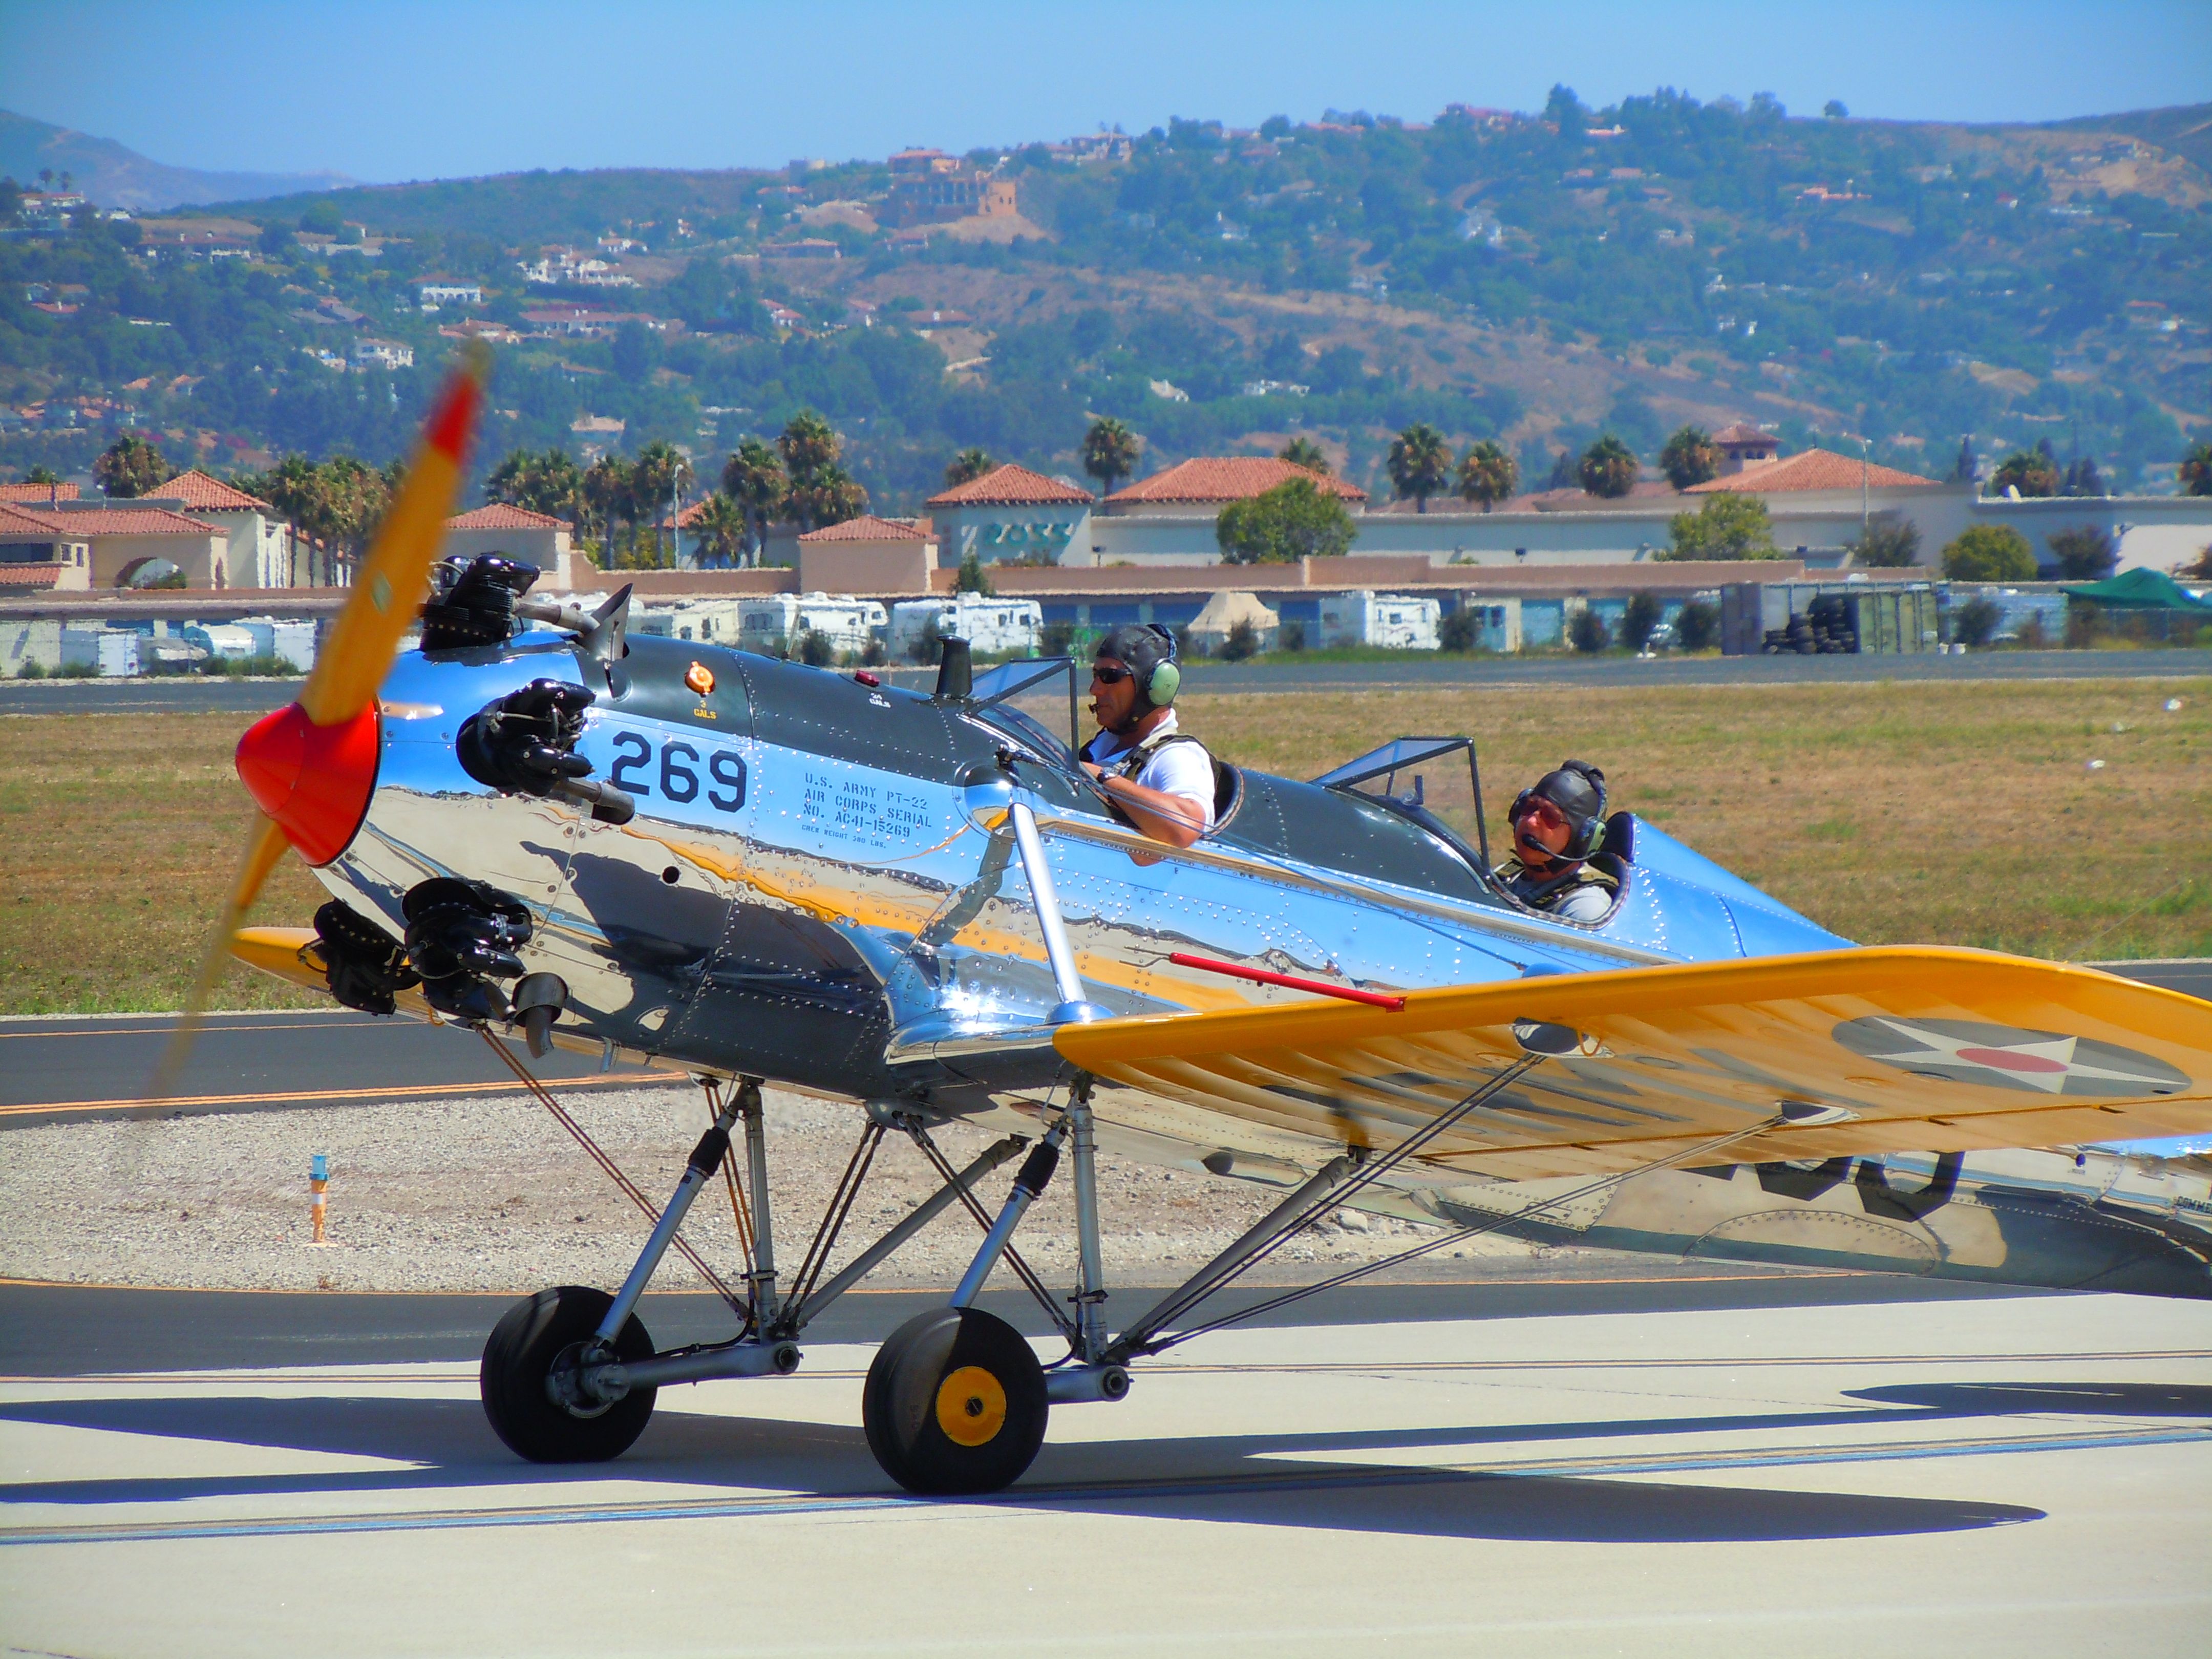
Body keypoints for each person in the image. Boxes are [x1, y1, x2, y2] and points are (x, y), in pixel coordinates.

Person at [1078, 623, 1215, 848]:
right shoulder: (1100, 745)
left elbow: (1185, 827)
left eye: (1109, 677)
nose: (1095, 689)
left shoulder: (1176, 756)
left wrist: (1104, 778)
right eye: (1095, 676)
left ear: (1156, 686)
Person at [1495, 759, 1617, 922]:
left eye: (1550, 817)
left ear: (1583, 837)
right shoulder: (1505, 876)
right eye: (1529, 808)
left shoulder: (1585, 908)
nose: (1531, 821)